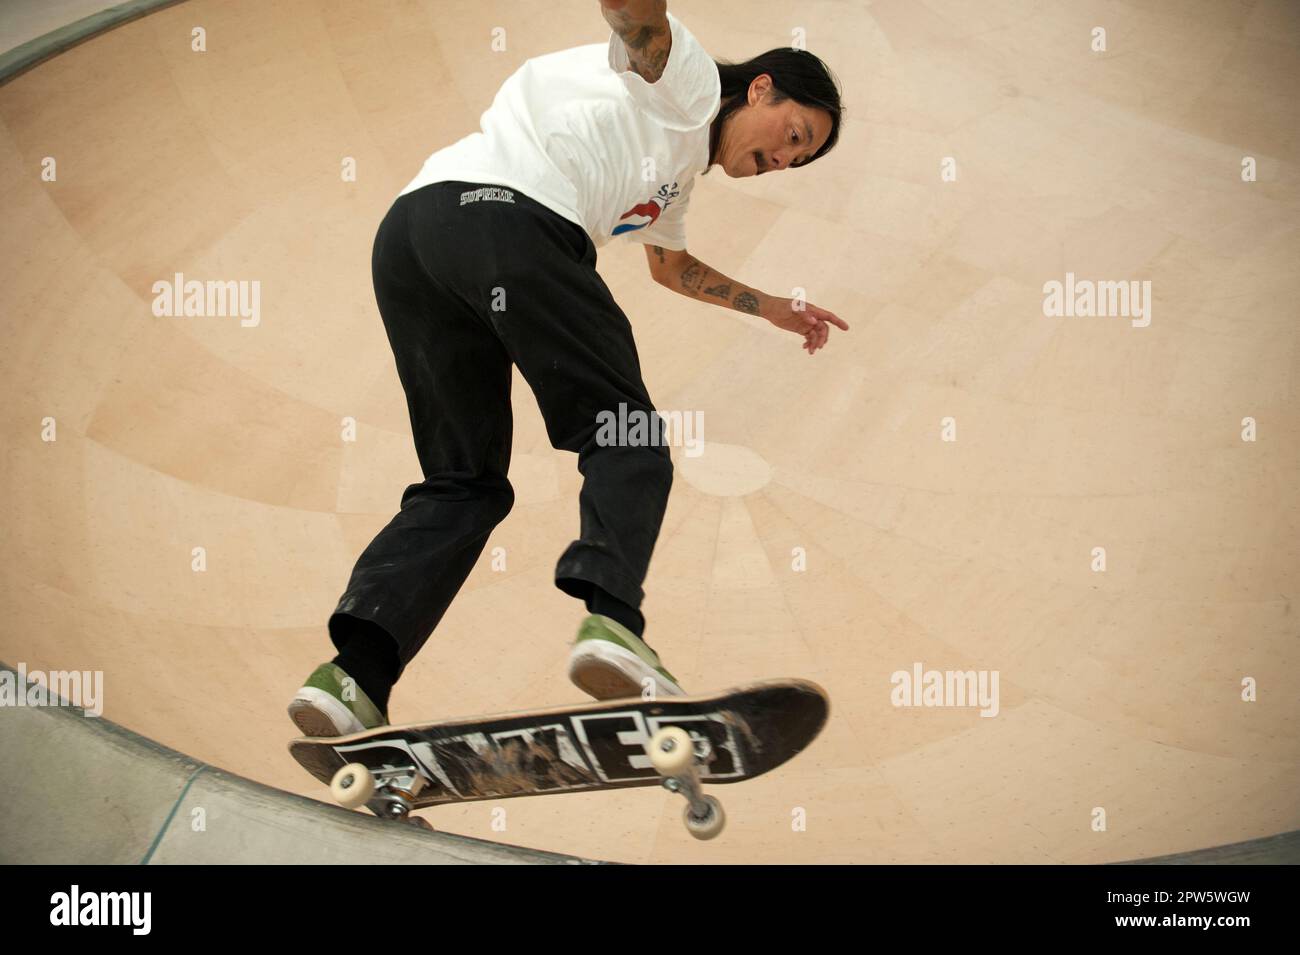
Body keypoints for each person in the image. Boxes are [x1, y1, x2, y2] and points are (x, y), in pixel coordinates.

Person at [288, 1, 847, 737]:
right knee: (629, 434)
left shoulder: (677, 175)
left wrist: (768, 305)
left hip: (415, 240)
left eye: (794, 164)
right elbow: (634, 17)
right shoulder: (692, 84)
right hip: (510, 221)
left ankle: (355, 674)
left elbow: (670, 267)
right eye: (793, 136)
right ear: (762, 89)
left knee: (465, 483)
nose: (780, 161)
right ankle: (613, 625)